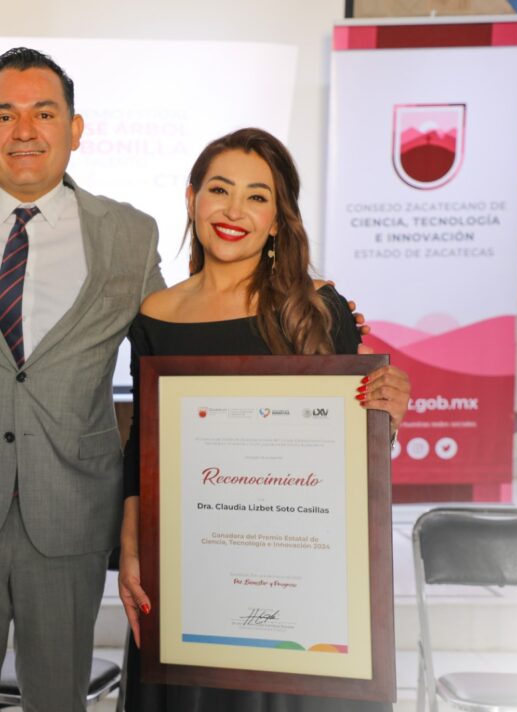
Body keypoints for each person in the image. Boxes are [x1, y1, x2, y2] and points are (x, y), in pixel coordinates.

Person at [0, 47, 165, 711]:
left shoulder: (128, 235)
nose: (23, 130)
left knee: (60, 701)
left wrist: (313, 320)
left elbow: (175, 347)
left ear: (75, 129)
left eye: (44, 113)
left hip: (71, 513)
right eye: (3, 114)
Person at [117, 127, 410, 712]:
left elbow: (348, 451)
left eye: (257, 196)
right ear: (192, 199)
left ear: (278, 220)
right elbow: (141, 449)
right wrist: (130, 550)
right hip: (190, 574)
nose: (234, 211)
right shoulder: (155, 314)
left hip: (297, 584)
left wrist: (387, 417)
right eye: (219, 190)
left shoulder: (317, 308)